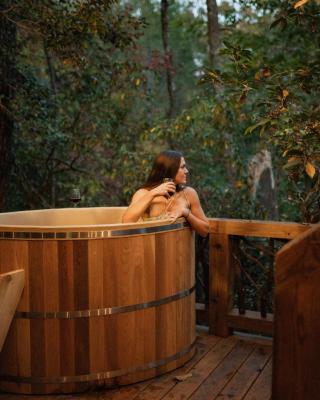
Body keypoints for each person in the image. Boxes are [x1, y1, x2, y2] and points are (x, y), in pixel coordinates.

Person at [122, 150, 209, 237]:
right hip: (153, 248)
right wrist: (153, 193)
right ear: (170, 169)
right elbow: (126, 222)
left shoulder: (189, 193)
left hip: (181, 248)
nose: (186, 171)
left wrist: (186, 213)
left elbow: (205, 231)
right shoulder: (143, 193)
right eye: (182, 167)